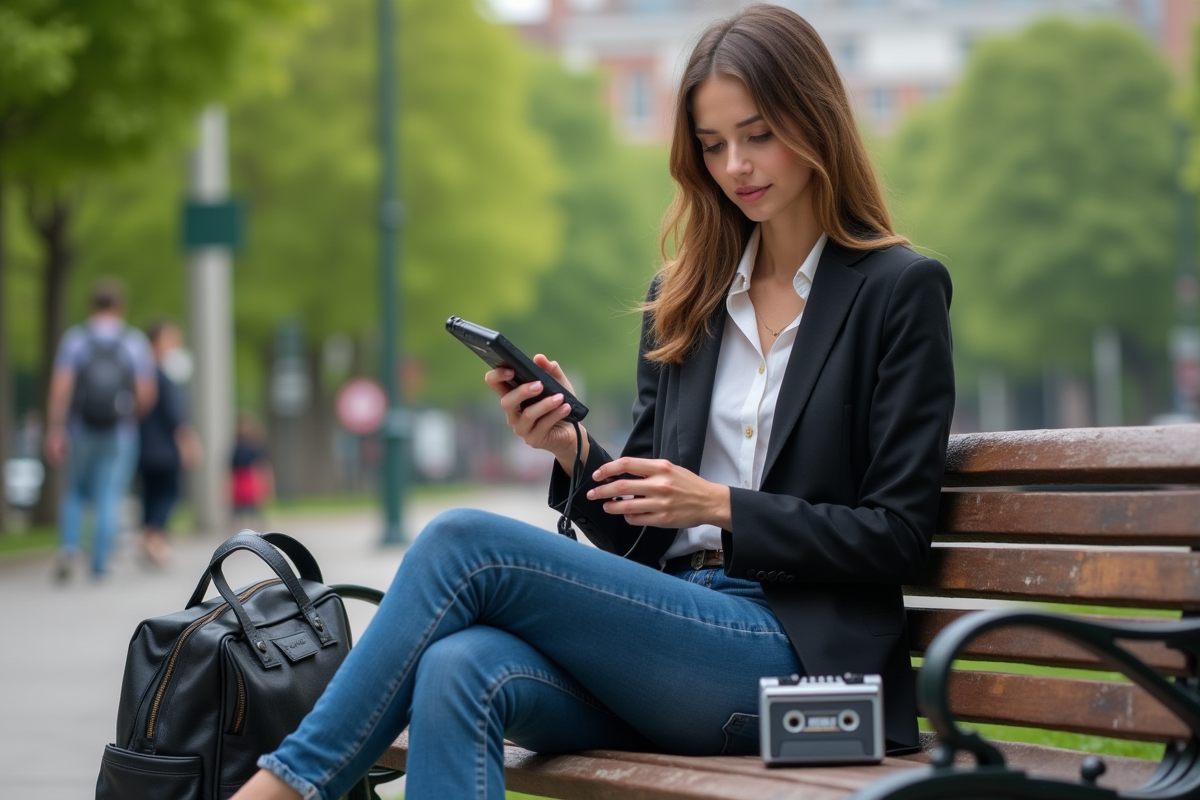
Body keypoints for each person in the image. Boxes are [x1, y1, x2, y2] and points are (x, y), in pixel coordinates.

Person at [232, 6, 954, 799]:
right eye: (713, 146)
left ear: (815, 121)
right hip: (672, 635)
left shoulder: (897, 292)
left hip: (795, 662)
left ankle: (287, 787)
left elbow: (899, 535)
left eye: (758, 135)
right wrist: (572, 450)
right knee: (456, 665)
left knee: (462, 540)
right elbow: (641, 541)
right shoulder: (684, 301)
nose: (737, 165)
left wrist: (722, 506)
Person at [44, 278, 157, 581]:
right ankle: (99, 562)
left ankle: (69, 549)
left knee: (76, 492)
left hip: (80, 428)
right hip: (119, 431)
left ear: (91, 305)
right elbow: (146, 392)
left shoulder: (75, 340)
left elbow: (61, 388)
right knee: (110, 493)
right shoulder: (133, 342)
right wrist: (127, 414)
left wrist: (56, 428)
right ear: (121, 307)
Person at [136, 320, 201, 568]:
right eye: (171, 339)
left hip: (143, 446)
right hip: (163, 448)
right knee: (168, 492)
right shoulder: (161, 375)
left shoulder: (140, 374)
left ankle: (149, 537)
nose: (176, 345)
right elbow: (174, 416)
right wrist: (189, 443)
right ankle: (155, 539)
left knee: (150, 494)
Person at [231, 412, 273, 526]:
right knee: (238, 511)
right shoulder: (236, 449)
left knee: (254, 509)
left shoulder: (254, 449)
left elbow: (262, 467)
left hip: (250, 481)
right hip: (240, 482)